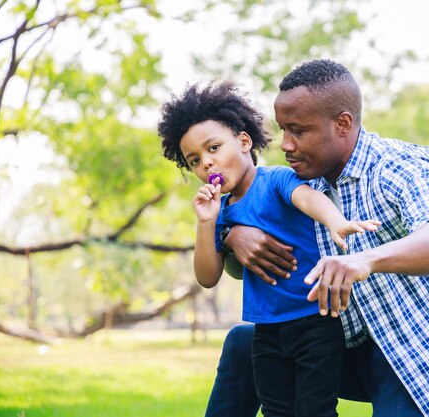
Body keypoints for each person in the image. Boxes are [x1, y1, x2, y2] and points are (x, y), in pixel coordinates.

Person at [204, 60, 429, 417]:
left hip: (427, 349)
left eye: (298, 130)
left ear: (343, 124)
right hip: (350, 343)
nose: (286, 144)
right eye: (283, 130)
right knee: (244, 343)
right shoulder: (304, 183)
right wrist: (230, 234)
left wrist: (364, 260)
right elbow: (238, 266)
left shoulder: (399, 165)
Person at [157, 81, 380, 417]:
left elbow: (307, 198)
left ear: (244, 141)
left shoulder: (274, 180)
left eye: (213, 148)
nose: (206, 163)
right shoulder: (220, 213)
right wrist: (206, 223)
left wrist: (336, 222)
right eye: (194, 160)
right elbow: (207, 276)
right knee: (277, 411)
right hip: (267, 330)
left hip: (315, 322)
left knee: (314, 410)